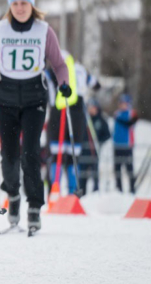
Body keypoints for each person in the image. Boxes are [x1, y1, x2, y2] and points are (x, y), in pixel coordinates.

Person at [0, 0, 70, 233]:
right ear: (10, 6)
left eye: (24, 2)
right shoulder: (0, 30)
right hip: (4, 97)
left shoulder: (44, 30)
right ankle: (13, 195)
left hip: (34, 96)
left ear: (32, 4)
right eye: (15, 3)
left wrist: (64, 83)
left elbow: (58, 63)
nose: (20, 7)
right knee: (9, 154)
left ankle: (35, 206)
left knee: (30, 153)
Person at [44, 50, 96, 195]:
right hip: (77, 112)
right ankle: (73, 192)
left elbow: (43, 81)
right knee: (73, 154)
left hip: (58, 110)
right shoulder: (80, 69)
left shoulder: (53, 68)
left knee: (56, 153)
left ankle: (55, 190)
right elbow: (95, 84)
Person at [112, 94, 138, 193]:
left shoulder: (132, 113)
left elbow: (130, 123)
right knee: (117, 169)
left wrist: (119, 119)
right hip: (117, 145)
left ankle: (132, 189)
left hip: (127, 146)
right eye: (121, 103)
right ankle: (119, 189)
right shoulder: (117, 113)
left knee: (129, 169)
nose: (122, 105)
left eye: (124, 103)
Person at [86, 99, 111, 192]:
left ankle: (96, 191)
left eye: (92, 107)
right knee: (83, 175)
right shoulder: (86, 119)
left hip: (95, 151)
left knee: (95, 174)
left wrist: (100, 142)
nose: (91, 109)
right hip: (85, 151)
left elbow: (107, 134)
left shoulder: (101, 120)